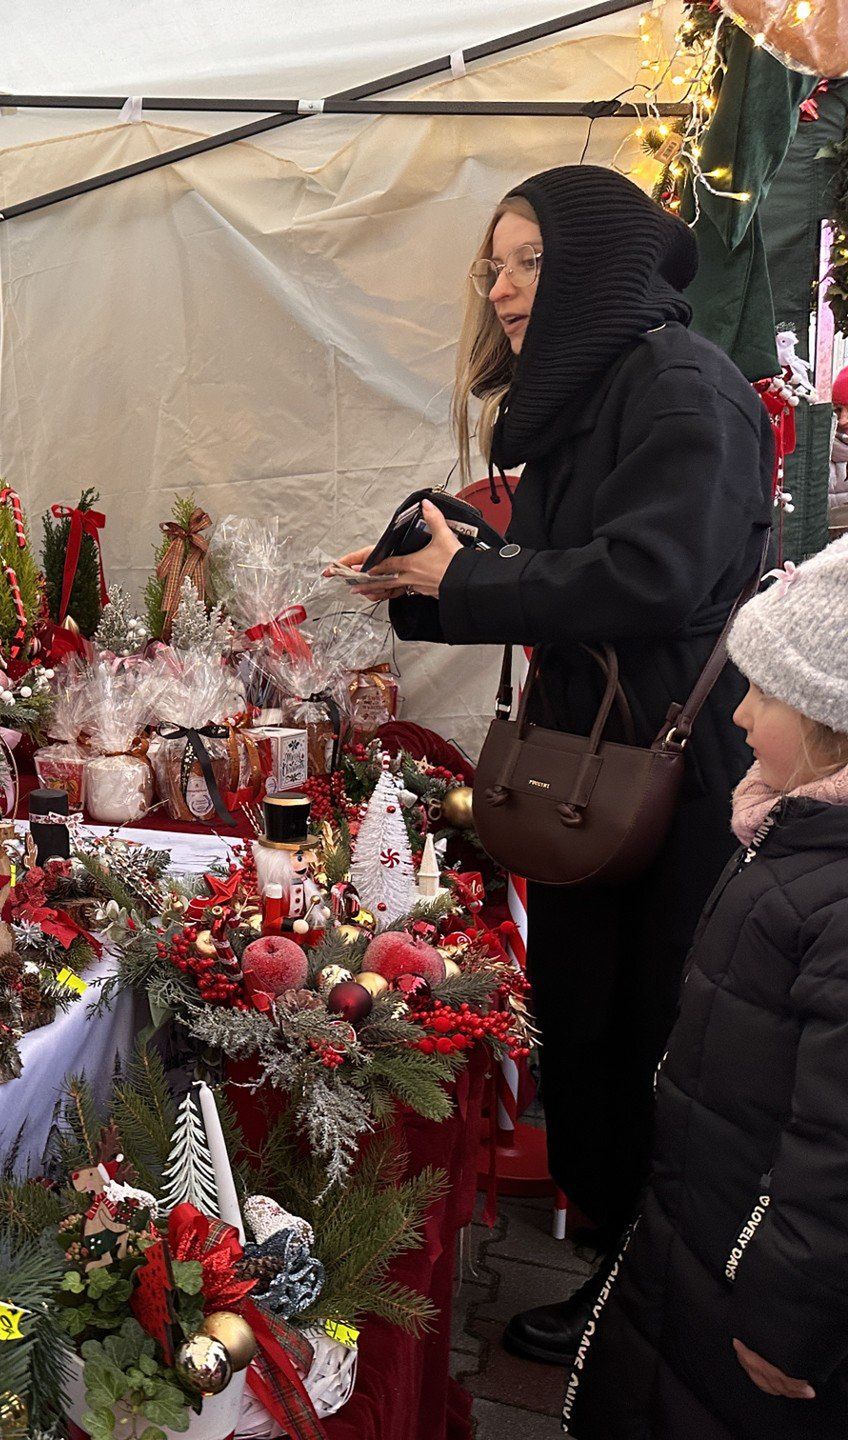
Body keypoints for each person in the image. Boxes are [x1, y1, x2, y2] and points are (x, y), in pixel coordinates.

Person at [334, 165, 772, 1364]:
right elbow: (568, 564)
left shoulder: (684, 390)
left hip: (672, 794)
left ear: (595, 263)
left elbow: (652, 578)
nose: (504, 286)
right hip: (602, 776)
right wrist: (440, 564)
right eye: (494, 263)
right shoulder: (606, 392)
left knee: (649, 1043)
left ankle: (651, 1309)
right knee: (590, 1026)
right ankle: (619, 1279)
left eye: (527, 259)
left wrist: (470, 577)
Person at [565, 537, 848, 1439]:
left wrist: (789, 1314)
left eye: (761, 694)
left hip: (758, 1283)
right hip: (704, 1221)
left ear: (829, 718)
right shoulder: (789, 835)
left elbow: (835, 1144)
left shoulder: (830, 892)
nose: (736, 716)